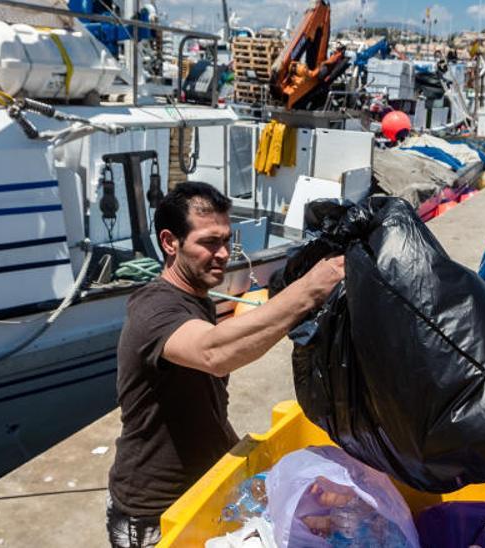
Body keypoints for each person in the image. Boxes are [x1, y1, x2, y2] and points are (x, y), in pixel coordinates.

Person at [106, 182, 345, 547]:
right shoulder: (154, 308)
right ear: (170, 242)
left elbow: (205, 401)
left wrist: (255, 474)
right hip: (154, 515)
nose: (222, 254)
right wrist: (311, 289)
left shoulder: (197, 299)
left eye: (226, 241)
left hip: (201, 495)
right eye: (208, 242)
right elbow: (215, 354)